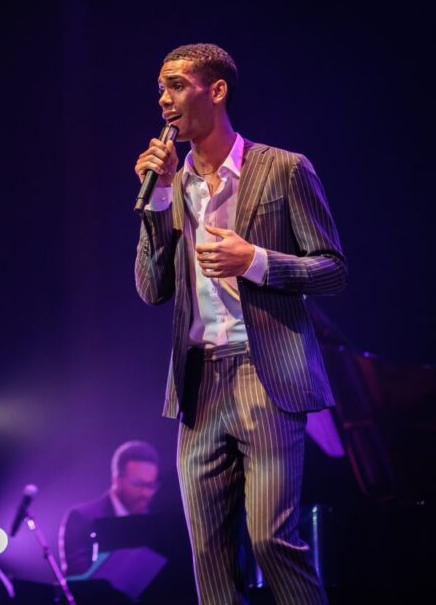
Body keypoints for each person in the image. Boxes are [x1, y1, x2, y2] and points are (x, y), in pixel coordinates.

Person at [133, 43, 346, 604]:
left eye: (177, 85)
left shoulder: (283, 168)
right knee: (208, 554)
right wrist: (155, 201)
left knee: (272, 538)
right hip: (198, 384)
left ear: (216, 90)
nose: (165, 100)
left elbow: (332, 270)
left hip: (265, 373)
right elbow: (152, 289)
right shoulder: (174, 186)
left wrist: (254, 260)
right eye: (161, 88)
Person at [59, 440, 161, 576]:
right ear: (116, 479)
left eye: (150, 486)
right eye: (137, 484)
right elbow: (77, 578)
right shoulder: (81, 517)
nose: (145, 493)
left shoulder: (153, 520)